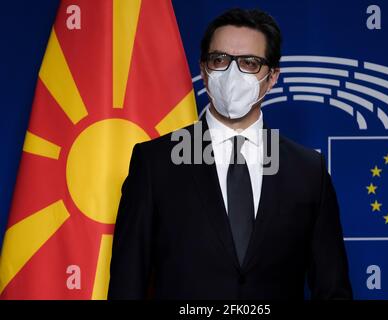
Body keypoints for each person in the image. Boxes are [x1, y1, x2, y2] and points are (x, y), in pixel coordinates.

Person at [108, 8, 352, 300]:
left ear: (272, 77)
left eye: (249, 63)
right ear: (204, 70)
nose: (232, 74)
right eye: (220, 60)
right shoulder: (155, 163)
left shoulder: (308, 171)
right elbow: (126, 285)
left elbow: (332, 289)